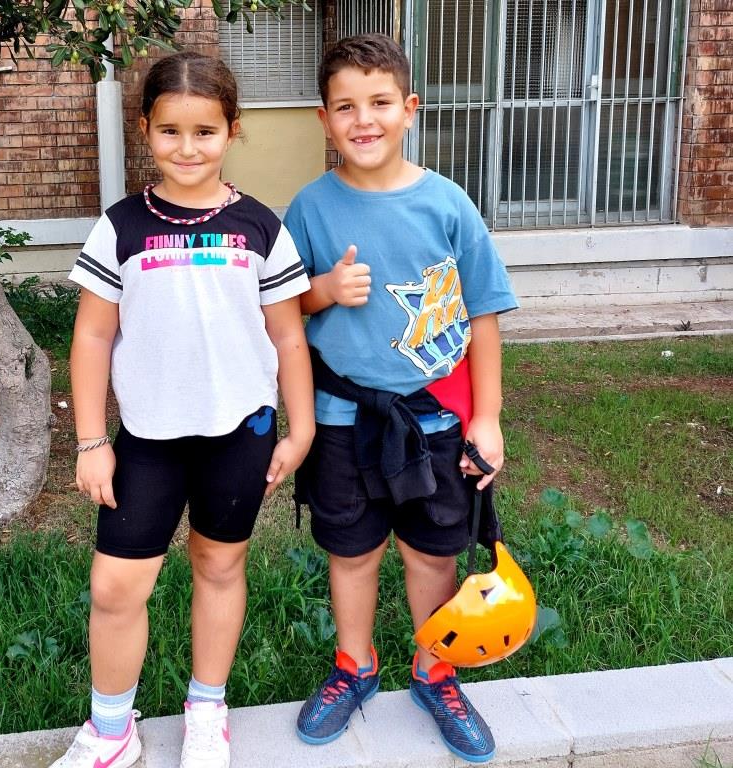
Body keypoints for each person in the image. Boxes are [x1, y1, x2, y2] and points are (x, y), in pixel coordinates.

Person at [53, 51, 314, 768]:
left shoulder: (261, 227)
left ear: (232, 130)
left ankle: (206, 710)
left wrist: (302, 428)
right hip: (148, 440)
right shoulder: (120, 227)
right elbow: (92, 335)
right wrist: (90, 441)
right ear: (145, 129)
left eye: (205, 131)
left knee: (218, 567)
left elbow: (289, 336)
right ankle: (112, 730)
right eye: (170, 131)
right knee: (115, 586)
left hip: (241, 434)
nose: (188, 147)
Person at [285, 34, 518, 764]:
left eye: (380, 102)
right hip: (341, 419)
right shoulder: (309, 209)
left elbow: (483, 312)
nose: (364, 120)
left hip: (436, 420)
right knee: (352, 551)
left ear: (409, 108)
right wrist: (323, 290)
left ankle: (434, 669)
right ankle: (354, 665)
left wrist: (487, 418)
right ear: (324, 118)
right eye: (345, 106)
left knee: (432, 551)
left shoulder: (447, 204)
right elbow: (278, 313)